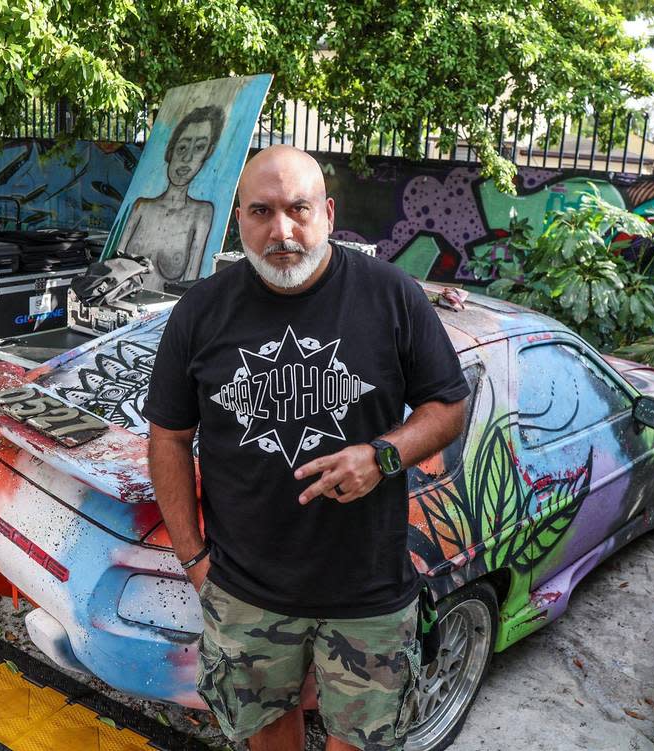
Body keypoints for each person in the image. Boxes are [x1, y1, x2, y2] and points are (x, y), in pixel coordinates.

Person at [145, 145, 469, 751]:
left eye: (298, 209)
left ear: (328, 211)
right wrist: (194, 560)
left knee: (362, 740)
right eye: (261, 212)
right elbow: (168, 437)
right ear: (238, 217)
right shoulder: (200, 312)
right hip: (244, 590)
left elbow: (448, 406)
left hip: (368, 591)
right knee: (267, 737)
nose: (282, 231)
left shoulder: (392, 296)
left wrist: (383, 455)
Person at [112, 105, 224, 291]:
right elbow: (113, 268)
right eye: (182, 147)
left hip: (168, 316)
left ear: (208, 153)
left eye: (199, 147)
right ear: (170, 152)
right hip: (126, 306)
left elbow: (190, 284)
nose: (187, 158)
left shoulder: (202, 213)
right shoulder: (142, 207)